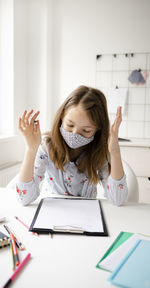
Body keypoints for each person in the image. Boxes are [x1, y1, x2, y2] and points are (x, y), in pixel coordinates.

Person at [16, 85, 128, 206]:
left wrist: (115, 152)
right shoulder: (46, 146)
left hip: (86, 213)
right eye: (70, 125)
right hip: (52, 210)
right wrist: (31, 150)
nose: (75, 134)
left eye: (86, 131)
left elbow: (118, 200)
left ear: (98, 130)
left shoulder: (99, 151)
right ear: (62, 117)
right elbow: (24, 198)